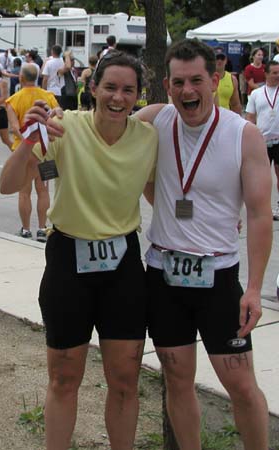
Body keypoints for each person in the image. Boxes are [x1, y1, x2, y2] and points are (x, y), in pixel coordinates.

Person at [0, 51, 158, 450]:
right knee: (64, 377)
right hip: (69, 259)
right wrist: (28, 141)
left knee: (124, 380)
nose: (118, 97)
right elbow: (7, 183)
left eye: (128, 90)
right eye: (110, 87)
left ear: (138, 95)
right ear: (92, 88)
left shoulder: (147, 138)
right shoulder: (62, 126)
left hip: (122, 264)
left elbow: (165, 189)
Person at [136, 39, 272, 450]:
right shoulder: (155, 120)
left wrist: (252, 289)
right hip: (163, 275)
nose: (187, 91)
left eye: (197, 80)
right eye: (178, 82)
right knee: (177, 379)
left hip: (218, 279)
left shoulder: (242, 135)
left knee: (241, 384)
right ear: (166, 84)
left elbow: (259, 214)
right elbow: (104, 126)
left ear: (216, 80)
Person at [5, 63, 59, 241]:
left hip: (24, 152)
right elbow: (57, 120)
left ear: (20, 77)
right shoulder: (49, 96)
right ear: (36, 77)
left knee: (24, 192)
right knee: (43, 190)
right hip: (46, 150)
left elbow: (14, 128)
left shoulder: (13, 100)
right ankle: (43, 228)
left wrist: (28, 140)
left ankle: (26, 229)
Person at [246, 60, 279, 221]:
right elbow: (250, 118)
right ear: (266, 74)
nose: (277, 76)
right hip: (262, 142)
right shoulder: (256, 94)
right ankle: (262, 207)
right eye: (274, 73)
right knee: (262, 178)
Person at [213, 46, 242, 114]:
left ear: (226, 60)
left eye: (222, 58)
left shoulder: (232, 79)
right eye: (217, 58)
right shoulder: (205, 77)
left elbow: (235, 105)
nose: (219, 60)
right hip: (208, 120)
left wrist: (238, 122)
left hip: (225, 120)